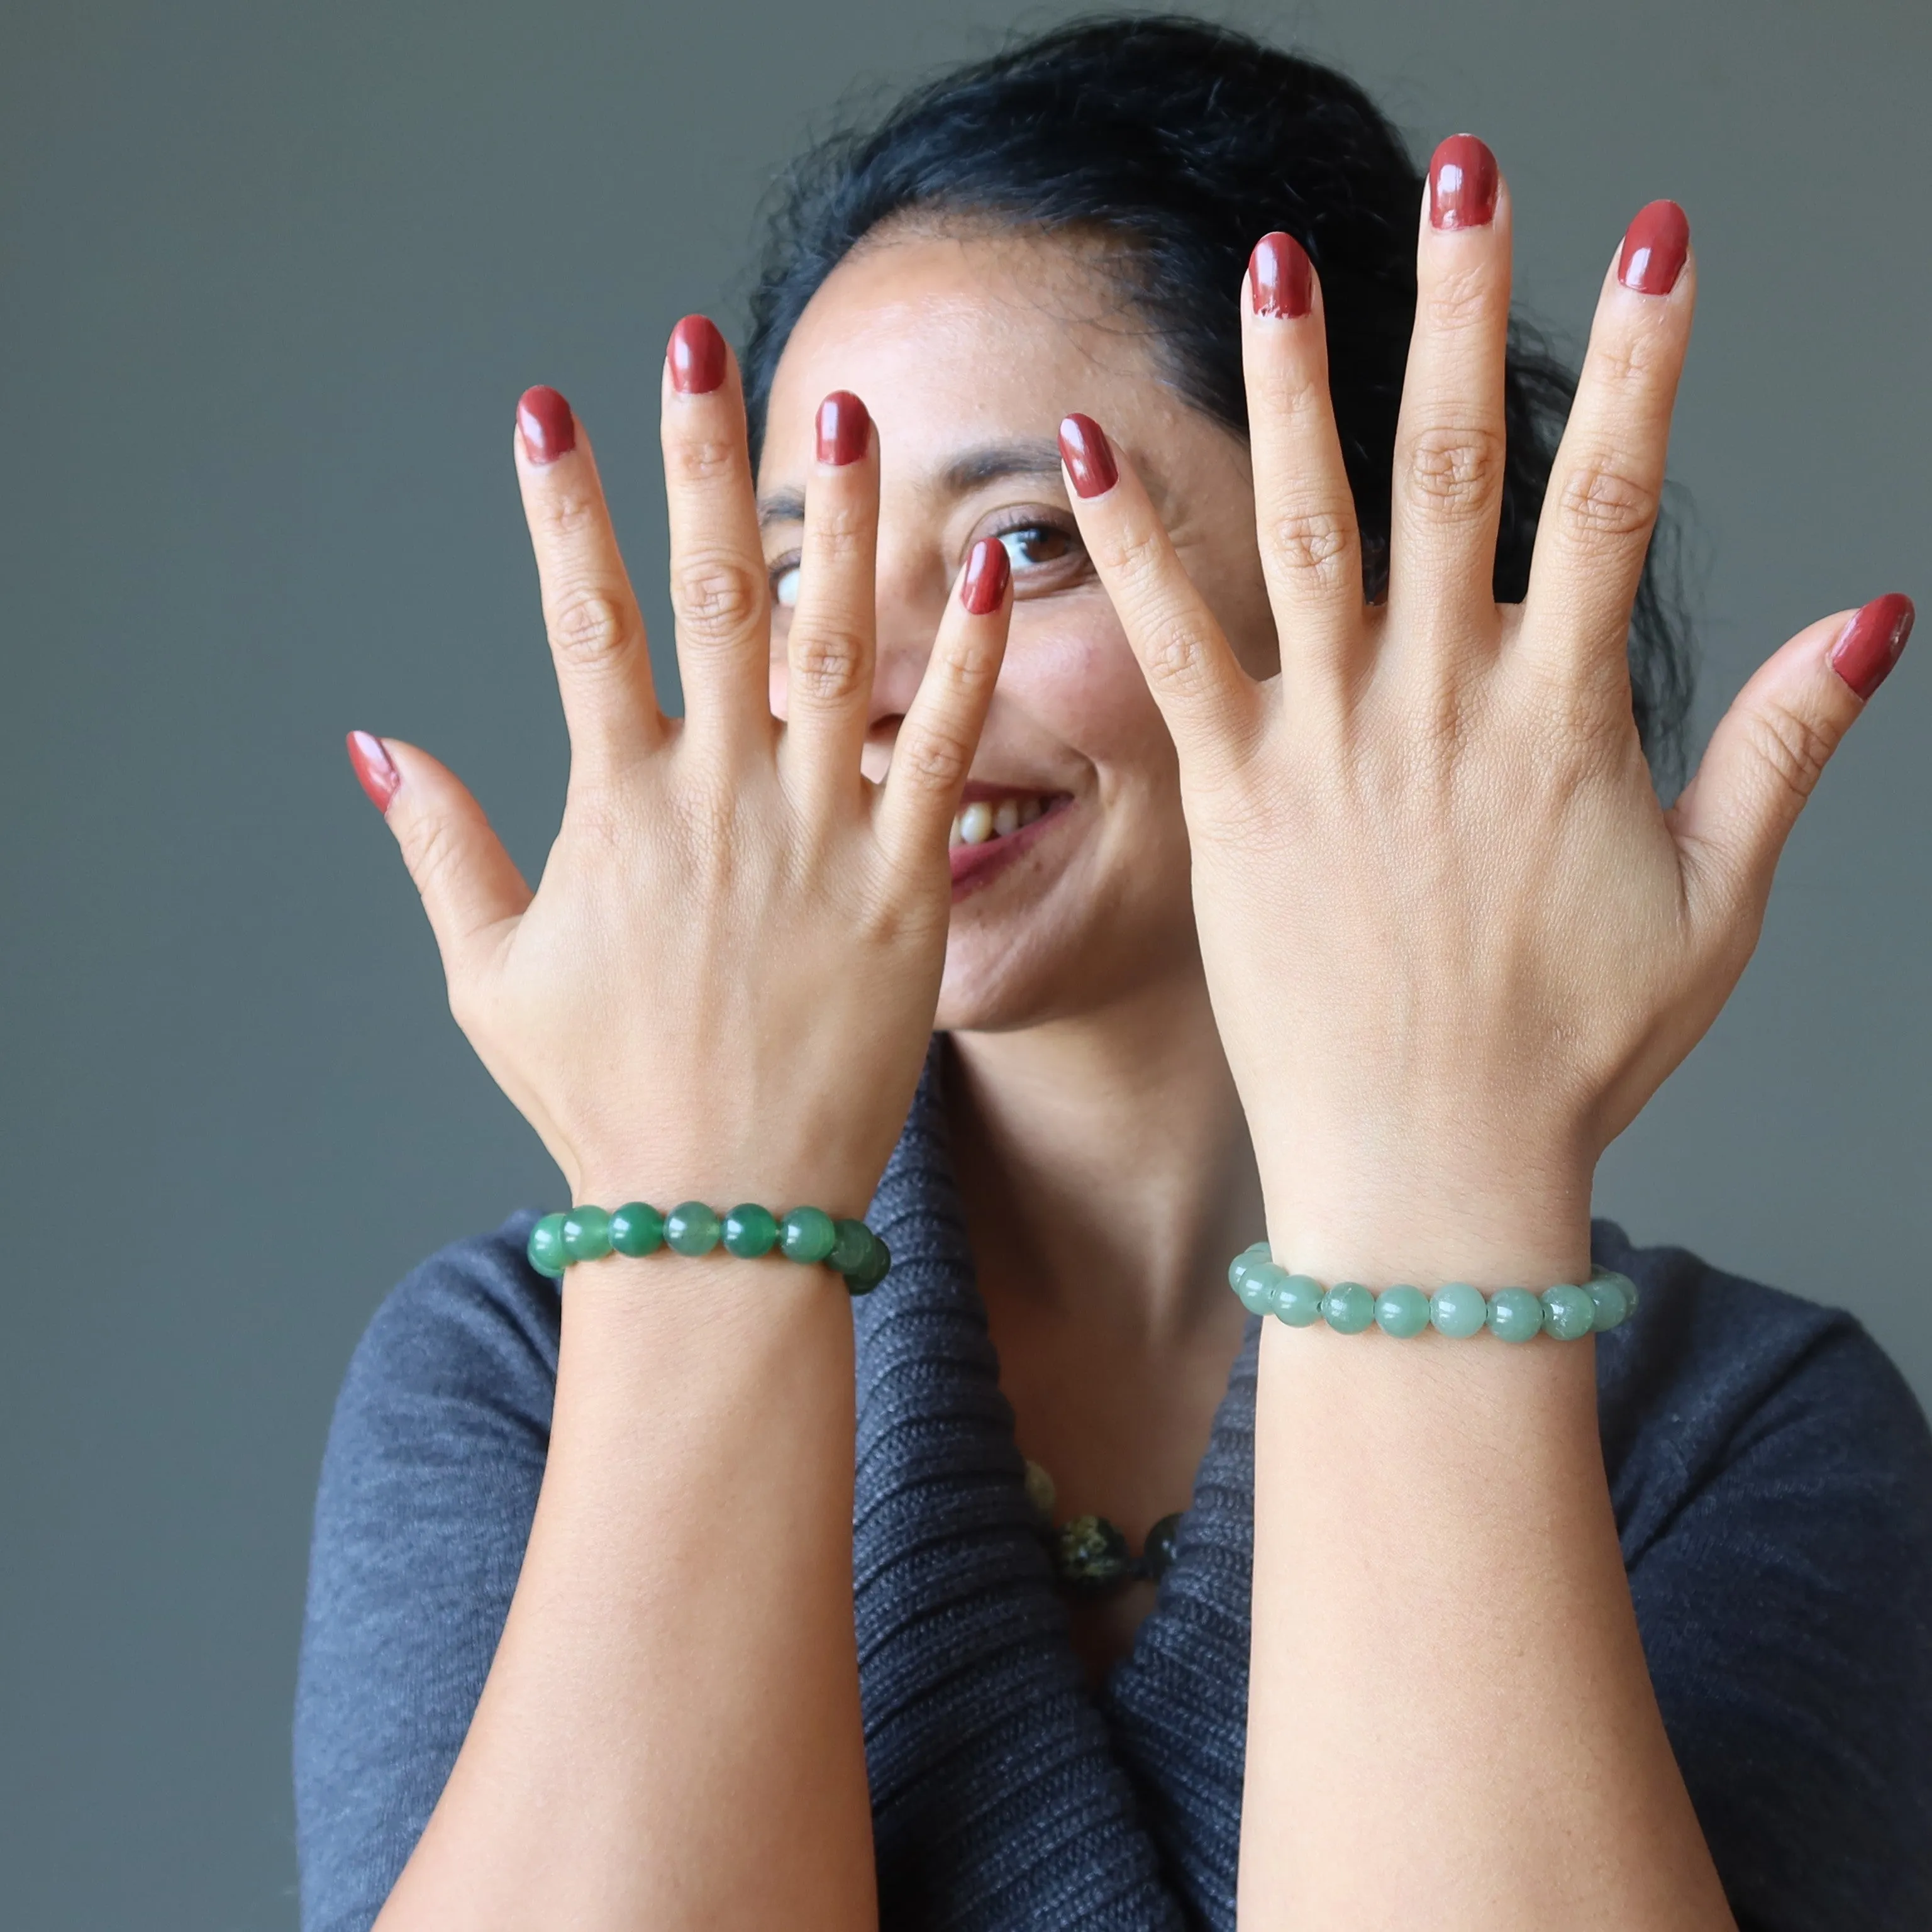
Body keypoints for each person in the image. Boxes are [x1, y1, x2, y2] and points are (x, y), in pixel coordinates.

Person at [295, 17, 1932, 1931]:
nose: (871, 683)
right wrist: (708, 1226)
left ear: (1386, 603)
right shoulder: (515, 1372)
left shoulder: (1749, 1437)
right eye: (796, 568)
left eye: (1024, 545)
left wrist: (1438, 1167)